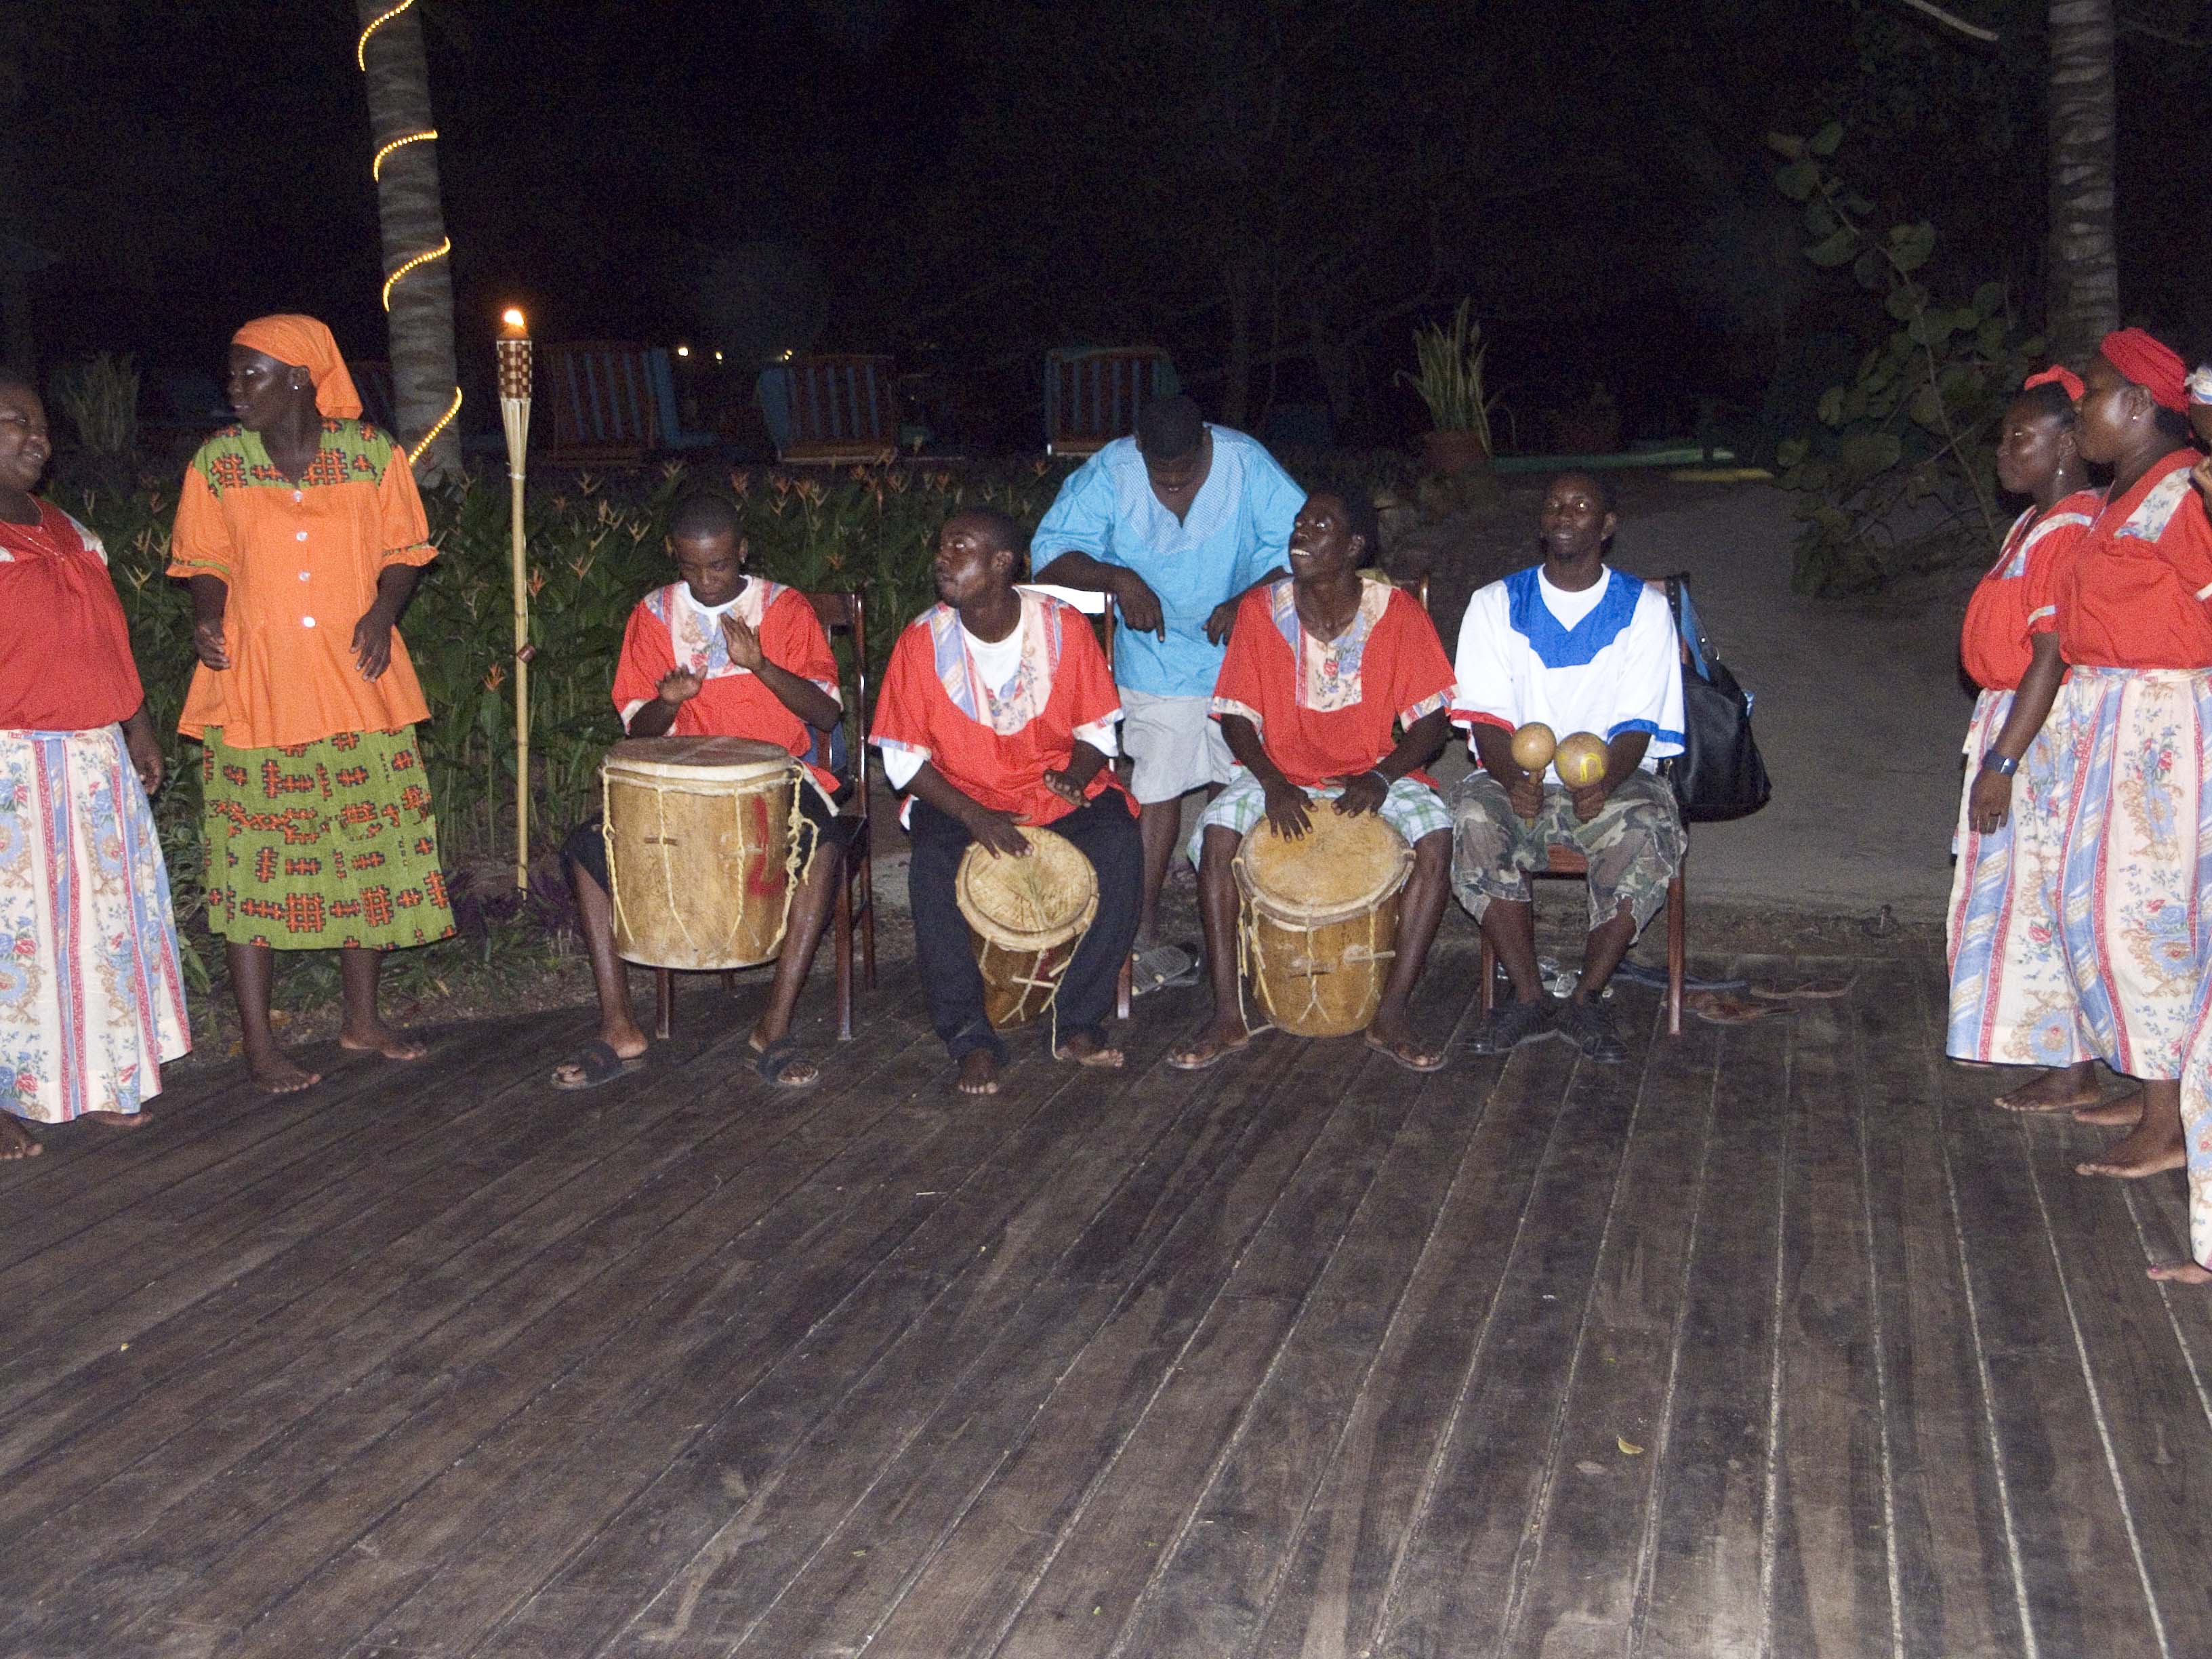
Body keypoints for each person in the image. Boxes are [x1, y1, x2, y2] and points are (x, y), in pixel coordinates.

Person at [167, 315, 453, 1094]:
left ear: (299, 377)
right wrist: (204, 614)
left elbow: (404, 549)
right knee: (250, 862)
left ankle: (360, 1021)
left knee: (366, 849)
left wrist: (383, 612)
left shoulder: (371, 456)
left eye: (249, 374)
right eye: (233, 375)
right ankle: (260, 1044)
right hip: (257, 684)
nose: (235, 389)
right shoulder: (220, 464)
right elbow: (206, 555)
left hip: (355, 676)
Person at [549, 493, 851, 1090]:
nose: (706, 580)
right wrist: (667, 702)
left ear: (741, 551)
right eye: (690, 566)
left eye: (718, 565)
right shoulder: (656, 614)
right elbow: (637, 730)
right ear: (674, 555)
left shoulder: (784, 608)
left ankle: (775, 1027)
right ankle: (618, 1024)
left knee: (825, 846)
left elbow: (826, 713)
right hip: (679, 785)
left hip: (780, 776)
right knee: (585, 848)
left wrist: (761, 665)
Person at [2018, 330, 2212, 1254]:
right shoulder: (2119, 499)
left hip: (2165, 730)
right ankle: (2146, 1083)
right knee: (2095, 908)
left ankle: (2172, 1119)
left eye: (2093, 396)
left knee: (2146, 914)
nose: (2081, 411)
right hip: (2113, 721)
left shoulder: (2185, 499)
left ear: (2139, 405)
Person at [1167, 489, 1456, 1073]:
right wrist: (1271, 782)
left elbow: (1432, 725)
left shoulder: (1396, 611)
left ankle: (1392, 1012)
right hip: (1281, 771)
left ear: (1352, 547)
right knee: (1218, 835)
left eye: (1320, 525)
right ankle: (1227, 1014)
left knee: (1437, 840)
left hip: (1374, 768)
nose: (1301, 533)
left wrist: (1382, 774)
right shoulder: (1262, 610)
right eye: (1300, 523)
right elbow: (1236, 716)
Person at [1030, 394, 1303, 993]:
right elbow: (1050, 553)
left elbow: (1306, 546)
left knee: (1239, 788)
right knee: (1155, 785)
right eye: (1163, 475)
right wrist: (1118, 578)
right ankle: (1142, 934)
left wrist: (1249, 601)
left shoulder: (1244, 461)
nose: (1175, 486)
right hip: (1153, 655)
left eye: (1187, 473)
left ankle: (1245, 932)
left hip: (1243, 647)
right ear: (1139, 451)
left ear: (1207, 443)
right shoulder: (1113, 468)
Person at [871, 508, 1141, 1096]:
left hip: (1052, 790)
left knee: (1122, 846)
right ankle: (969, 1037)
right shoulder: (922, 642)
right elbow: (902, 760)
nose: (942, 559)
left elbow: (1099, 730)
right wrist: (972, 814)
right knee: (932, 869)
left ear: (1002, 564)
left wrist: (1076, 776)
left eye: (959, 548)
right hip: (959, 795)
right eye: (942, 545)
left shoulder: (1062, 627)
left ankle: (1078, 1020)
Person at [0, 370, 190, 1158]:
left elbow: (108, 642)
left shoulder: (69, 530)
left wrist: (136, 725)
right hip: (12, 764)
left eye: (42, 425)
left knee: (96, 925)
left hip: (90, 759)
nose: (37, 437)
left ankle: (98, 1073)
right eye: (15, 421)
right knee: (13, 936)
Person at [1447, 472, 1687, 1063]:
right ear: (1540, 521)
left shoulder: (1645, 609)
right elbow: (1486, 719)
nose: (1564, 514)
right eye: (1554, 504)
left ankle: (1586, 998)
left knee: (1647, 829)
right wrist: (1509, 780)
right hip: (1515, 777)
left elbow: (1637, 724)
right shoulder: (1495, 604)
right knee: (1474, 817)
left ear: (1606, 526)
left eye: (1581, 506)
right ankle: (1528, 997)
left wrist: (1604, 782)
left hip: (1618, 776)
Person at [1944, 370, 2107, 1111]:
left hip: (2034, 734)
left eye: (2022, 438)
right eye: (2004, 437)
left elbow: (2051, 652)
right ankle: (2024, 1039)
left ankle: (2071, 1062)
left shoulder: (2069, 530)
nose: (2004, 452)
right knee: (2012, 887)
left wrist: (2005, 761)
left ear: (2068, 445)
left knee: (2043, 890)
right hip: (2010, 716)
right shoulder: (2035, 524)